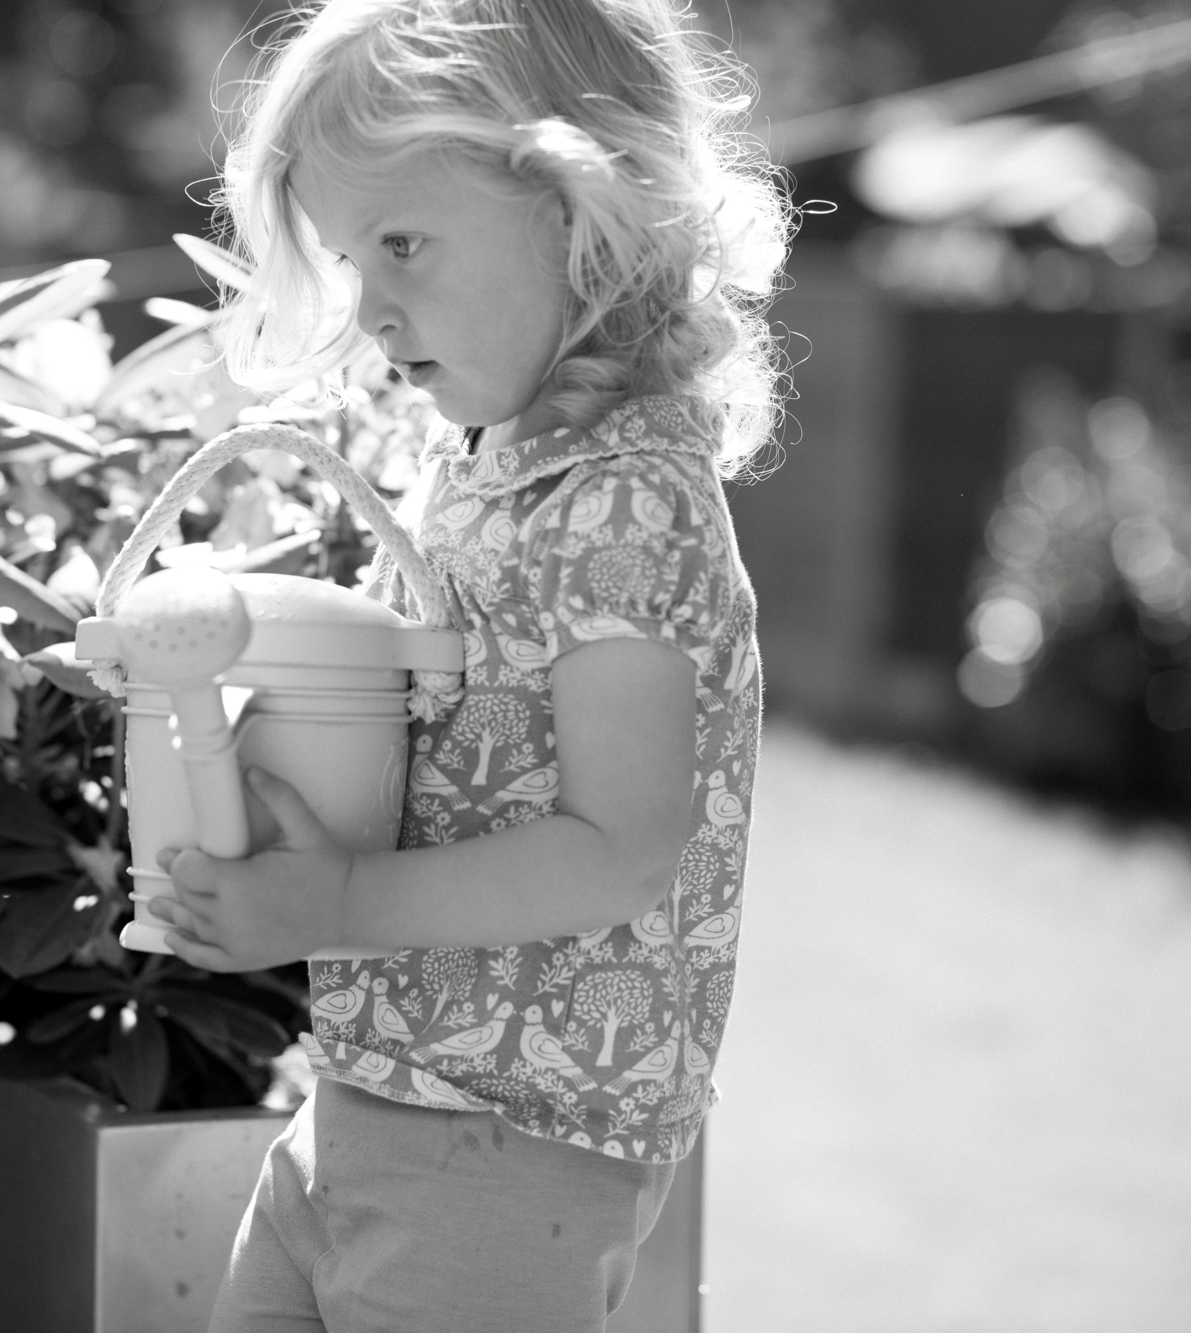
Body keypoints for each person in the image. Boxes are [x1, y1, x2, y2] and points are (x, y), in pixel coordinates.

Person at [145, 2, 788, 1328]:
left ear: (581, 207)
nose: (371, 305)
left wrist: (334, 895)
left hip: (507, 1148)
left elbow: (619, 846)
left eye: (403, 243)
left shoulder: (622, 498)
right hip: (382, 1101)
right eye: (346, 257)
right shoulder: (495, 467)